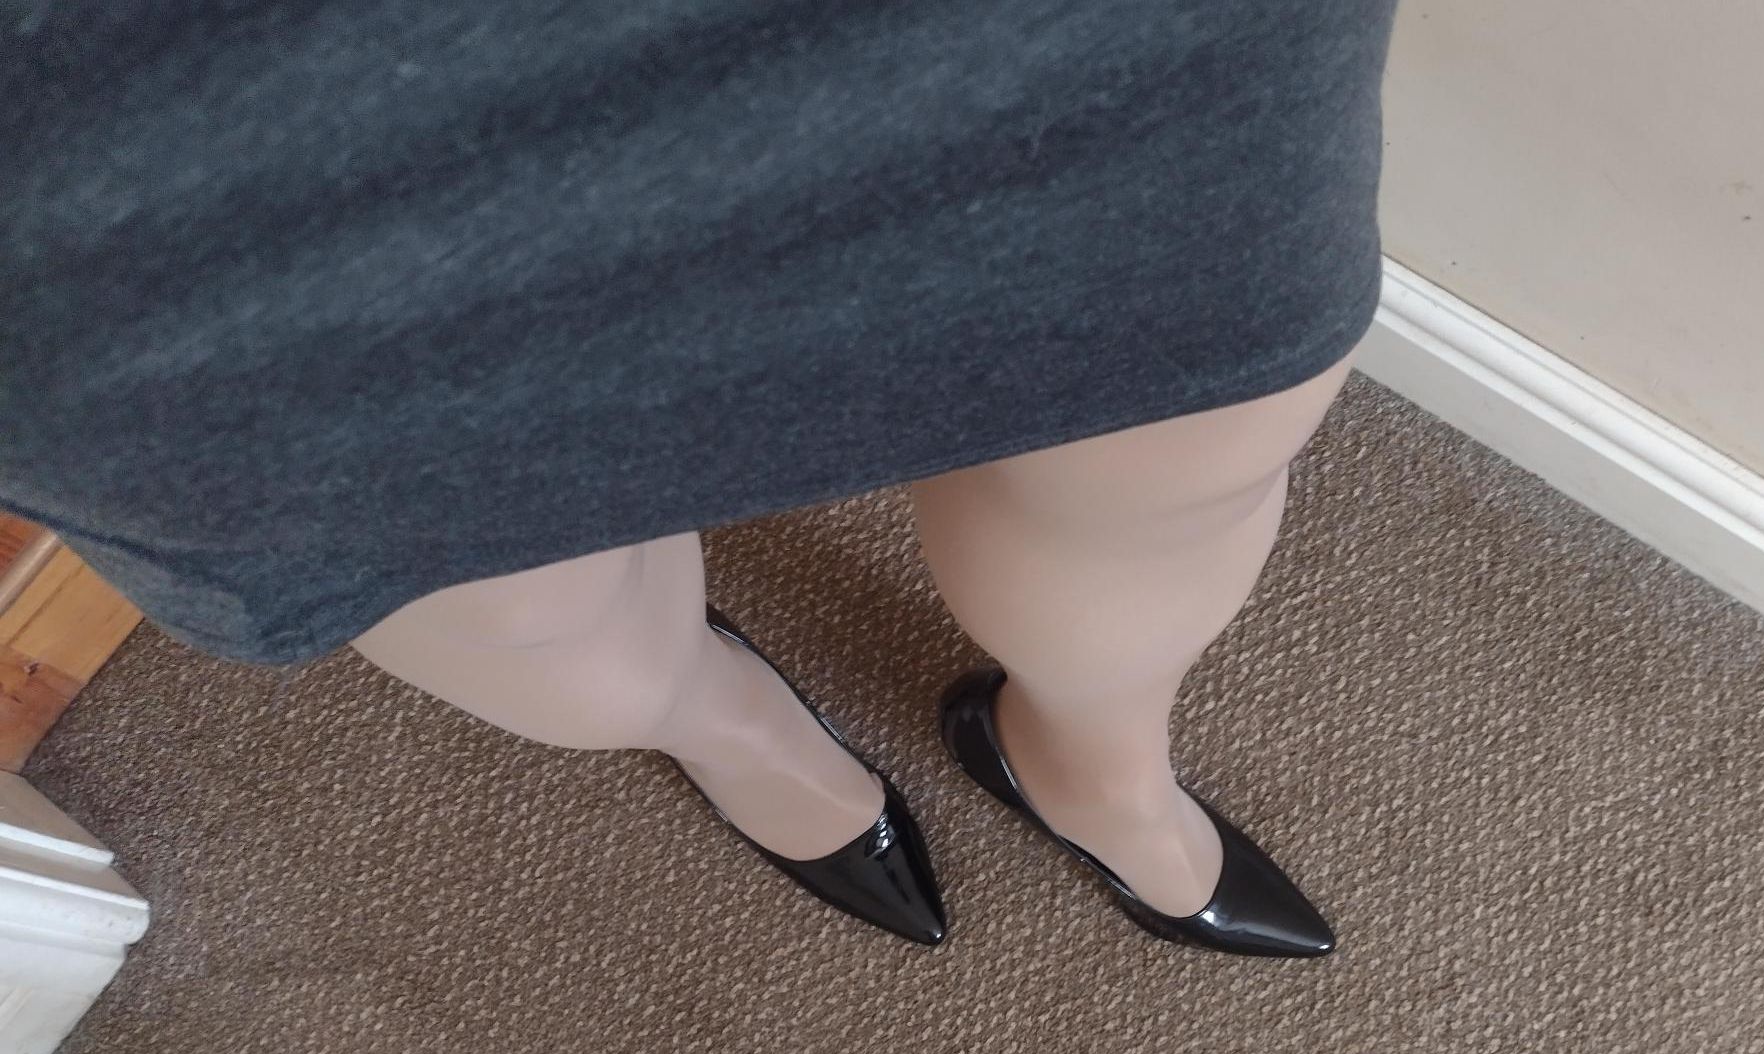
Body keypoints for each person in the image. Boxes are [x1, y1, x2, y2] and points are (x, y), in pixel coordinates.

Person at [1, 0, 1398, 956]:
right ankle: (722, 721)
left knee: (1185, 423)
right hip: (176, 128)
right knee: (503, 587)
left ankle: (1101, 767)